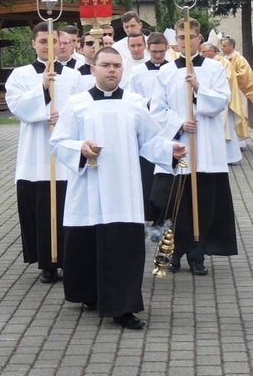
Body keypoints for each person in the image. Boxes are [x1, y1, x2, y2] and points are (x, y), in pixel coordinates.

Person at [50, 47, 186, 330]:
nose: (112, 70)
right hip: (88, 186)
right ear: (93, 69)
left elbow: (150, 141)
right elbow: (58, 142)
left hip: (124, 189)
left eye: (116, 66)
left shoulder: (135, 103)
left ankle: (123, 308)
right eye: (106, 65)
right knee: (87, 243)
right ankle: (90, 294)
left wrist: (171, 150)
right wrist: (81, 148)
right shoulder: (77, 104)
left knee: (123, 247)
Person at [149, 18, 238, 276]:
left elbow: (222, 100)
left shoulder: (214, 68)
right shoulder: (165, 72)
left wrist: (199, 89)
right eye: (180, 37)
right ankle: (174, 252)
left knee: (203, 202)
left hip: (206, 147)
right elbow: (156, 109)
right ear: (175, 41)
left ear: (199, 39)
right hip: (179, 145)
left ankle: (198, 254)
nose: (185, 42)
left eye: (191, 37)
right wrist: (179, 123)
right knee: (175, 204)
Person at [4, 22, 84, 284]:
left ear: (62, 43)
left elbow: (84, 110)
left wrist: (64, 121)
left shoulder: (73, 77)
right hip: (35, 154)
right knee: (39, 210)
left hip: (64, 155)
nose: (49, 47)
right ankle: (46, 263)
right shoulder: (20, 74)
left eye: (54, 42)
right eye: (42, 42)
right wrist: (41, 90)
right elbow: (17, 106)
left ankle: (67, 259)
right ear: (34, 44)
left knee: (65, 207)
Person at [126, 32, 170, 220]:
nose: (158, 56)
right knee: (146, 172)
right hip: (146, 125)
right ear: (148, 49)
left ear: (166, 49)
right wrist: (149, 102)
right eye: (154, 52)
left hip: (168, 127)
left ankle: (166, 211)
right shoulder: (137, 72)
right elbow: (130, 96)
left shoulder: (173, 70)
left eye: (161, 52)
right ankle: (148, 213)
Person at [219, 37, 253, 145]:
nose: (222, 48)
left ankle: (241, 142)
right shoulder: (224, 58)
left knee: (240, 113)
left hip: (239, 91)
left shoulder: (239, 59)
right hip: (229, 90)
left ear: (231, 46)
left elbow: (244, 75)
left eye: (224, 46)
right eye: (222, 46)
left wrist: (229, 76)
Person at [199, 42, 243, 165]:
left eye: (205, 51)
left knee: (226, 129)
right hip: (208, 99)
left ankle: (231, 157)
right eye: (202, 51)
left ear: (213, 51)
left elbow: (228, 77)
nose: (203, 54)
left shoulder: (223, 62)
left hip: (221, 100)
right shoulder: (203, 64)